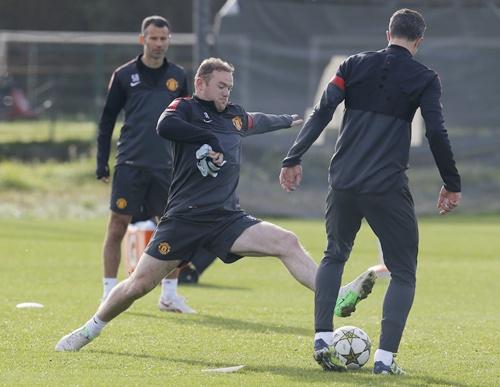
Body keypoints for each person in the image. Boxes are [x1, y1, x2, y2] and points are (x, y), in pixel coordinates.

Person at [55, 57, 375, 353]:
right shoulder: (184, 108)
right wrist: (206, 139)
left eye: (229, 87)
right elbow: (164, 126)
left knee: (286, 241)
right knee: (139, 285)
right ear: (200, 84)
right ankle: (90, 328)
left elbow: (254, 121)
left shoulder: (232, 116)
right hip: (184, 219)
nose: (226, 92)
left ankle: (336, 296)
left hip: (226, 219)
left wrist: (286, 121)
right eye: (221, 86)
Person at [280, 9, 461, 374]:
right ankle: (384, 360)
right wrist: (451, 183)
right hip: (386, 187)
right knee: (403, 271)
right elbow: (436, 132)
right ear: (419, 40)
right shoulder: (425, 77)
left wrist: (293, 156)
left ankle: (322, 339)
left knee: (334, 255)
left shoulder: (351, 65)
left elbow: (323, 111)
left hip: (343, 181)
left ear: (388, 33)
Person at [96, 15, 202, 313]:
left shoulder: (178, 76)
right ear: (142, 39)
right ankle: (108, 292)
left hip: (166, 168)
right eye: (153, 38)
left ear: (169, 41)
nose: (158, 44)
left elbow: (186, 122)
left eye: (163, 38)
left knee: (173, 229)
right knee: (117, 227)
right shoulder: (123, 75)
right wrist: (101, 162)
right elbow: (107, 121)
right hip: (130, 163)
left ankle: (169, 295)